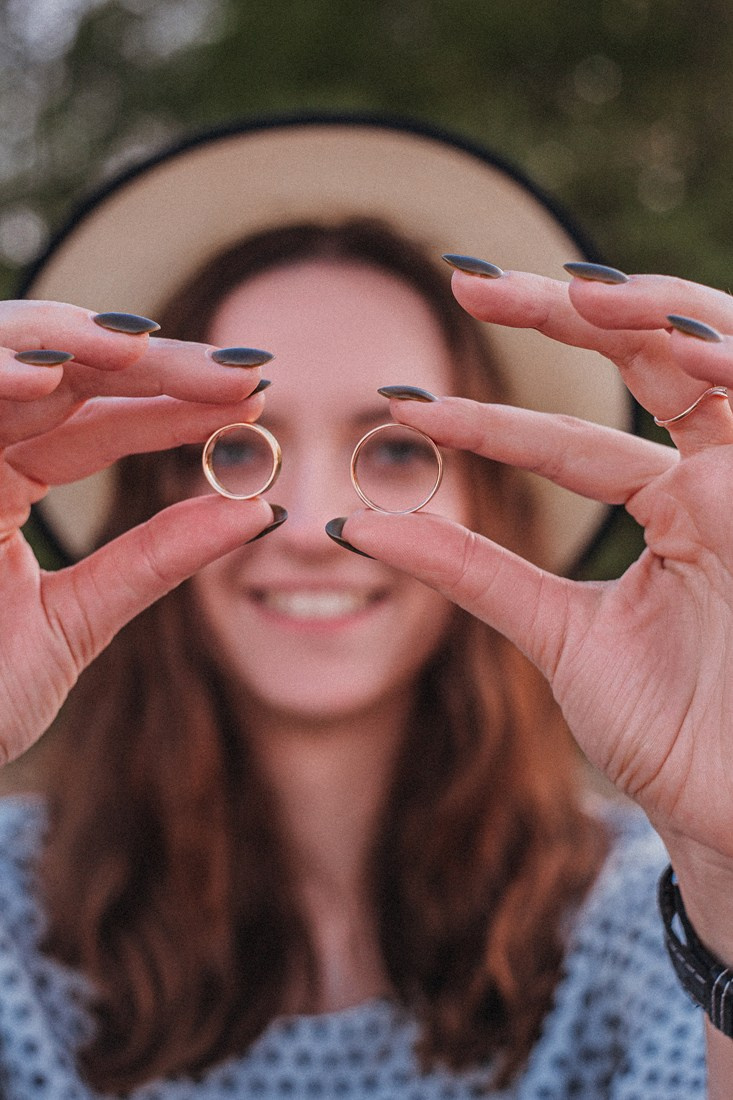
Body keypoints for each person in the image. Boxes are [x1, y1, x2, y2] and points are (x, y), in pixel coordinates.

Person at [0, 115, 730, 1098]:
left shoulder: (646, 920)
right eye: (240, 449)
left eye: (390, 448)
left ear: (490, 499)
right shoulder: (13, 916)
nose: (306, 524)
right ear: (151, 489)